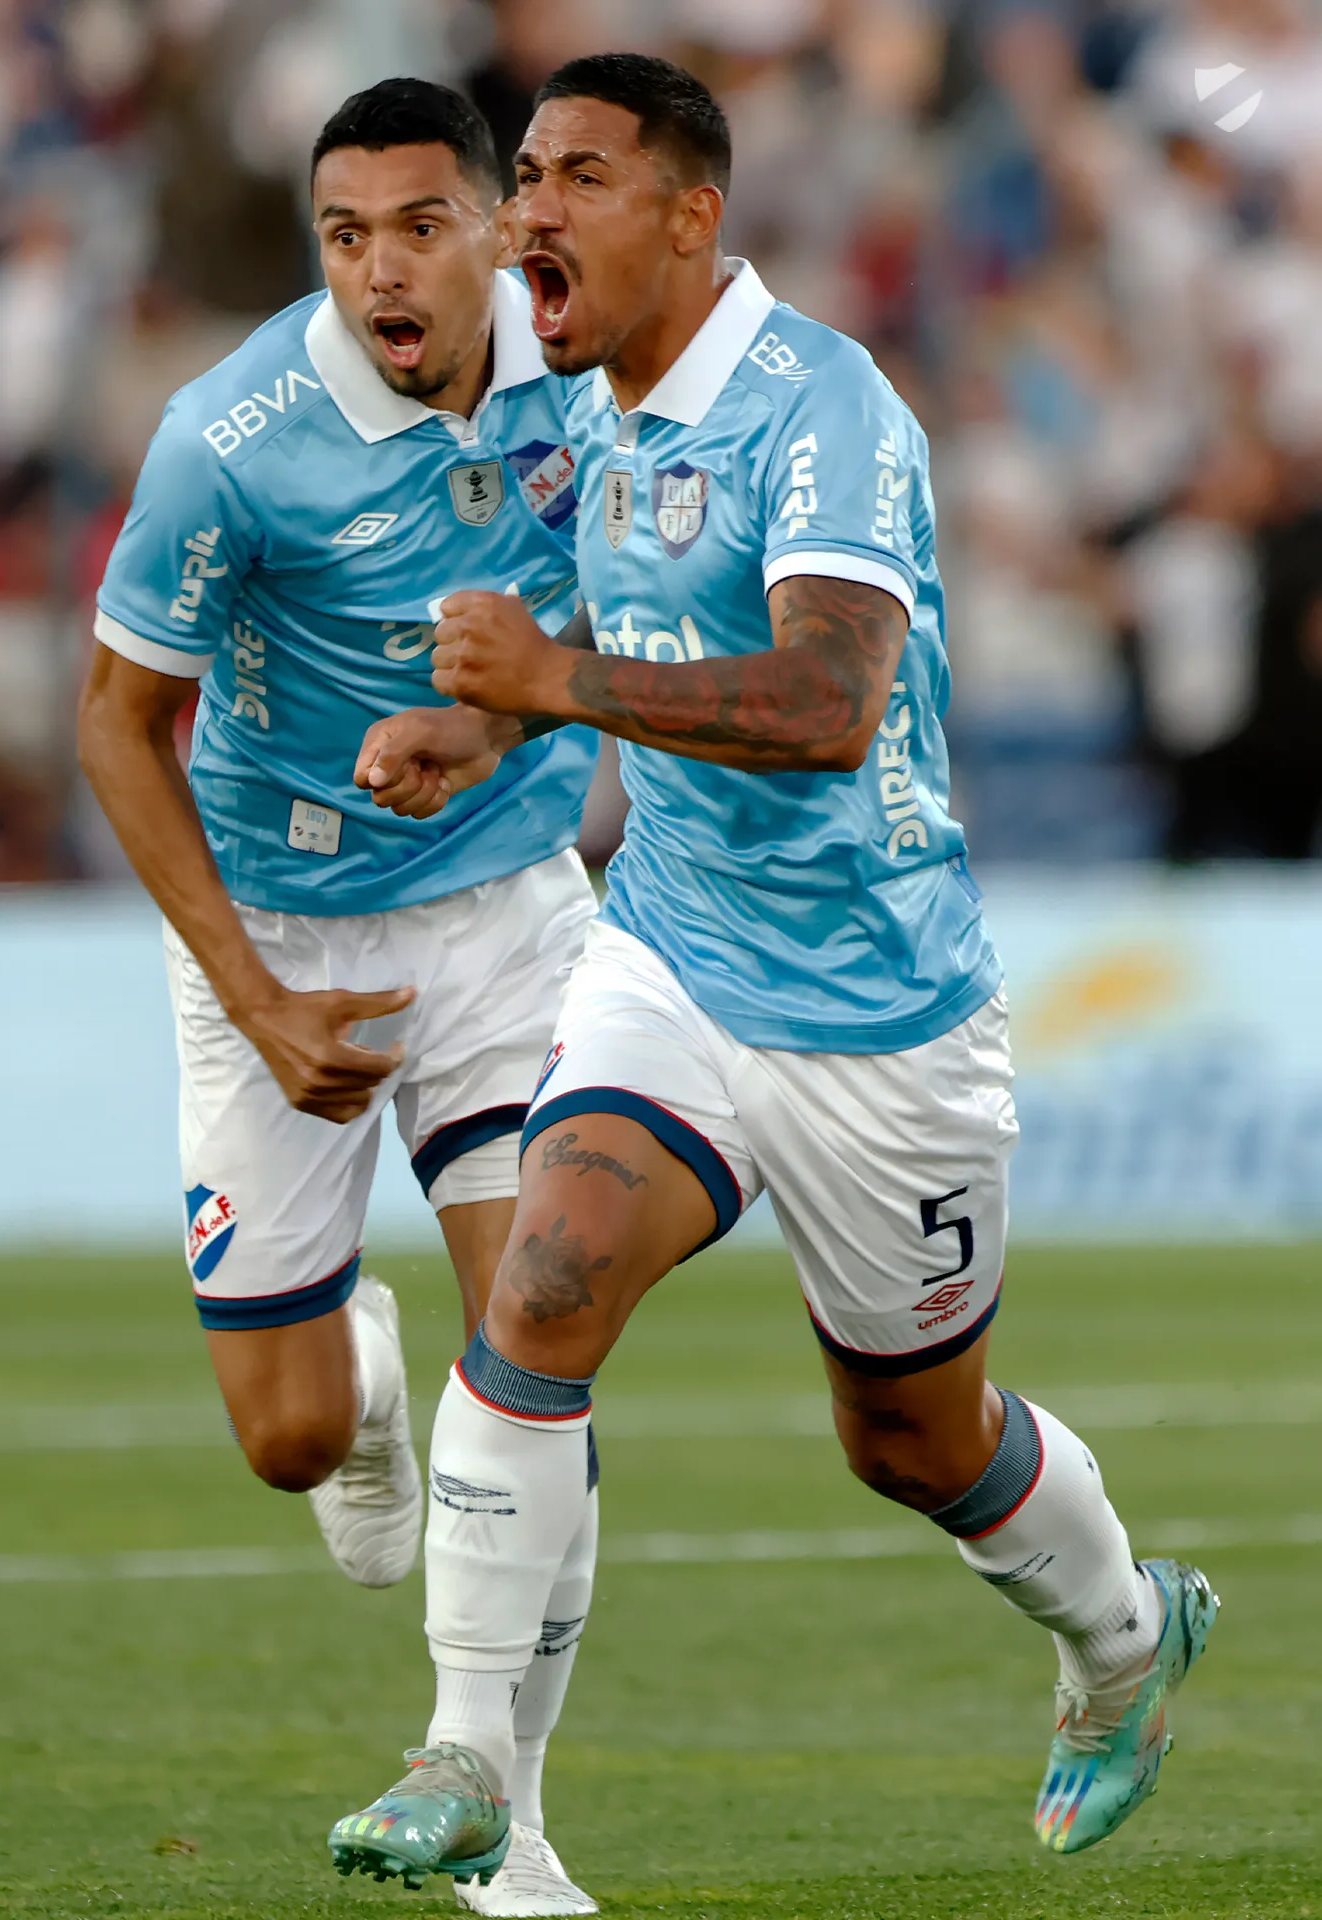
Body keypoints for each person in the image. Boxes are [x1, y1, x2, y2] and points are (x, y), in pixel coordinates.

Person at [332, 54, 1218, 1890]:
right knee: (545, 1281)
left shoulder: (827, 405)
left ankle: (1125, 1636)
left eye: (577, 177)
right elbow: (635, 606)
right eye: (525, 178)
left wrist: (548, 686)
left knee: (913, 1440)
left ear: (692, 215)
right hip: (671, 949)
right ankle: (467, 1757)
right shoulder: (601, 408)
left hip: (881, 1014)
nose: (529, 212)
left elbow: (827, 701)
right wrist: (485, 728)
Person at [78, 80, 602, 1917]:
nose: (381, 268)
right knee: (288, 1439)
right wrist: (257, 999)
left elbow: (643, 606)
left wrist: (498, 725)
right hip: (284, 934)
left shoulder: (589, 368)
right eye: (344, 234)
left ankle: (511, 1823)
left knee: (541, 1346)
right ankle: (363, 1387)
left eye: (419, 226)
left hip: (509, 913)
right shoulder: (229, 438)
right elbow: (116, 725)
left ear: (498, 227)